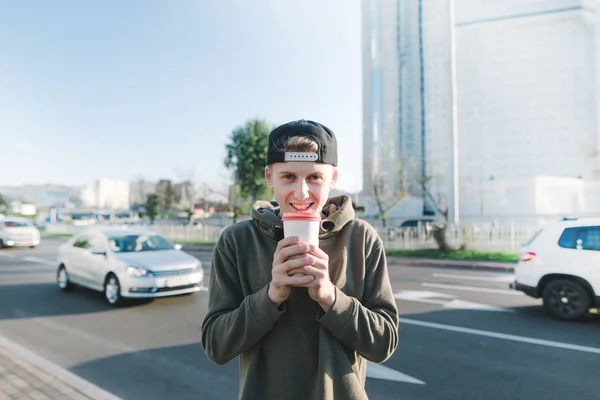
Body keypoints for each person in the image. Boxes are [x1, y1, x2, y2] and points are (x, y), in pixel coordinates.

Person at [201, 119, 399, 400]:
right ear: (270, 177)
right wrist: (270, 296)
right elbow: (215, 346)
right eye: (289, 177)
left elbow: (384, 343)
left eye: (315, 178)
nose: (302, 192)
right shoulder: (236, 241)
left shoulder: (361, 239)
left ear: (333, 178)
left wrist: (331, 298)